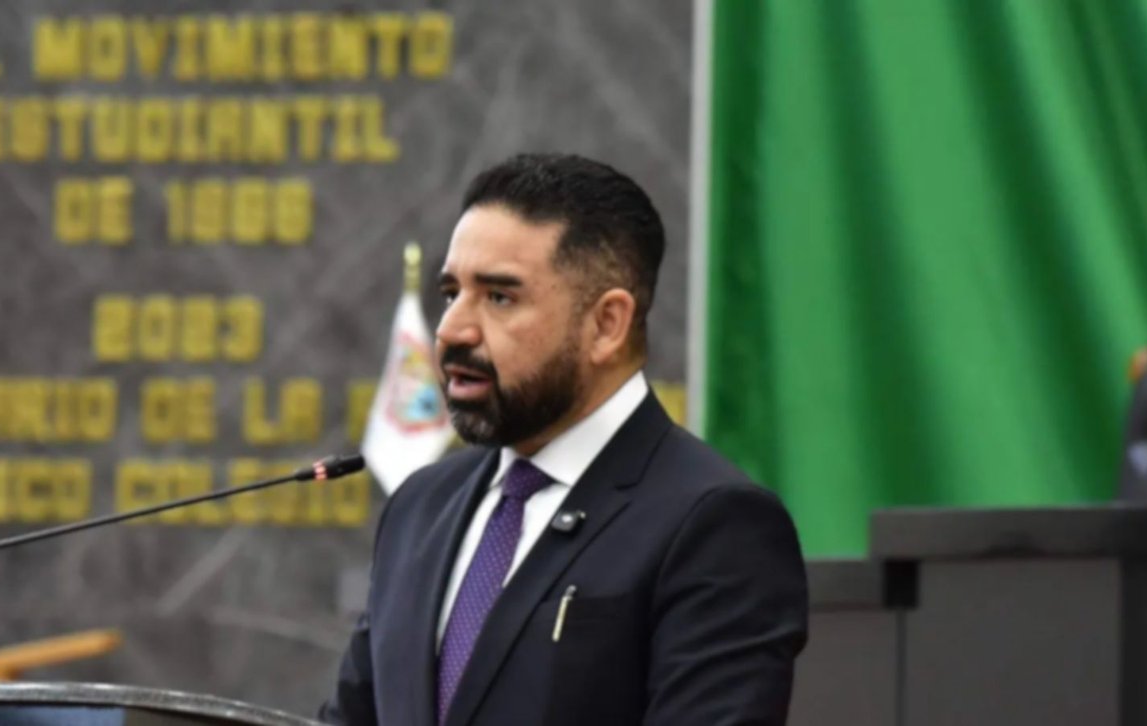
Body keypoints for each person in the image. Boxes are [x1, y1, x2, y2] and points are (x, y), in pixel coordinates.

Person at [321, 153, 807, 726]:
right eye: (452, 293)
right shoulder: (420, 507)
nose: (451, 329)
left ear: (607, 324)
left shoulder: (714, 524)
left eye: (499, 297)